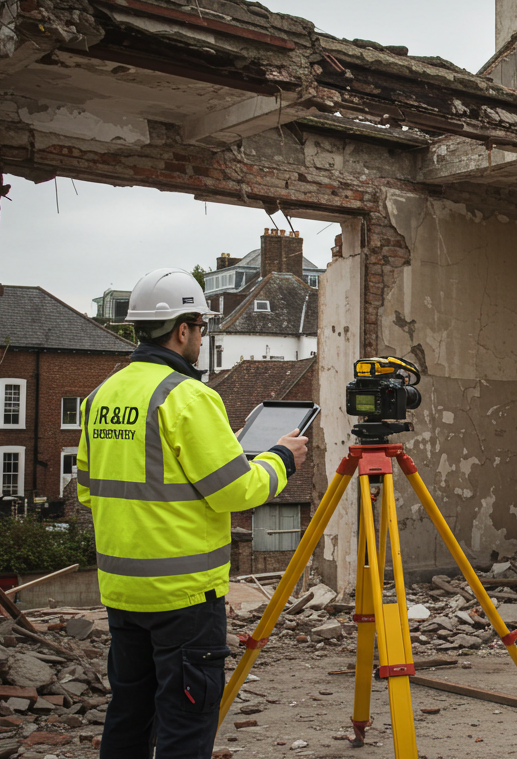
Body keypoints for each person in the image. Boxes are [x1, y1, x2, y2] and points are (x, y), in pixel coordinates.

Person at [77, 267, 310, 759]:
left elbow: (88, 490)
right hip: (183, 596)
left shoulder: (102, 396)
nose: (202, 339)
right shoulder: (187, 397)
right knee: (185, 722)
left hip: (122, 591)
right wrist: (282, 457)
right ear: (183, 330)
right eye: (201, 329)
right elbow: (238, 491)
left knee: (129, 715)